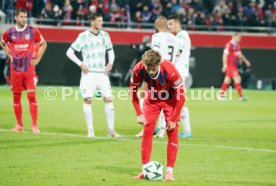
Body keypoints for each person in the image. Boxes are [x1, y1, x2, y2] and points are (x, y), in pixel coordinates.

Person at [130, 49, 185, 181]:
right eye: (148, 68)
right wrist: (139, 113)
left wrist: (174, 118)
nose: (151, 72)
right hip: (152, 100)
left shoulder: (170, 70)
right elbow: (132, 92)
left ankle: (169, 172)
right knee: (147, 131)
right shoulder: (138, 69)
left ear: (159, 63)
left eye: (153, 68)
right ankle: (144, 170)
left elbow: (181, 96)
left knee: (172, 130)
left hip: (170, 99)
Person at [66, 13, 122, 138]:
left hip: (102, 74)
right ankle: (90, 131)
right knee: (88, 100)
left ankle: (111, 131)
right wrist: (80, 63)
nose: (101, 23)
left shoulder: (105, 35)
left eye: (101, 20)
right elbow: (69, 52)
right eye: (98, 21)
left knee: (108, 99)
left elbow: (111, 51)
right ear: (92, 22)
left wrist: (110, 63)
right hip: (89, 74)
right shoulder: (83, 36)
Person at [0, 8, 47, 133]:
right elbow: (3, 43)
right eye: (21, 17)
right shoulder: (9, 32)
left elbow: (44, 44)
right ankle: (19, 125)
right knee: (16, 97)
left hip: (29, 69)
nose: (23, 19)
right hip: (15, 69)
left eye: (25, 17)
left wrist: (37, 60)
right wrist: (9, 54)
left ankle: (34, 126)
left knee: (31, 96)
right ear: (16, 17)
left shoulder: (33, 31)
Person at [135, 16, 179, 138]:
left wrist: (147, 77)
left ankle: (148, 128)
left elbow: (154, 55)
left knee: (145, 97)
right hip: (171, 71)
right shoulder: (174, 39)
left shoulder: (157, 37)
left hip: (158, 72)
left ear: (156, 25)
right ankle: (161, 131)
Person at [167, 15, 192, 138]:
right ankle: (166, 127)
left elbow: (177, 50)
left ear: (177, 23)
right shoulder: (178, 36)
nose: (169, 27)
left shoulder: (182, 35)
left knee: (178, 101)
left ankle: (186, 131)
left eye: (171, 24)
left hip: (179, 73)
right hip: (175, 73)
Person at [219, 32, 251, 101]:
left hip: (234, 65)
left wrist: (245, 61)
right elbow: (224, 55)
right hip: (230, 65)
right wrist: (224, 64)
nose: (240, 39)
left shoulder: (236, 45)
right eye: (238, 38)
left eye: (240, 38)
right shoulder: (229, 44)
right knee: (237, 78)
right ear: (234, 37)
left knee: (227, 80)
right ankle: (241, 97)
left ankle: (221, 96)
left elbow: (239, 54)